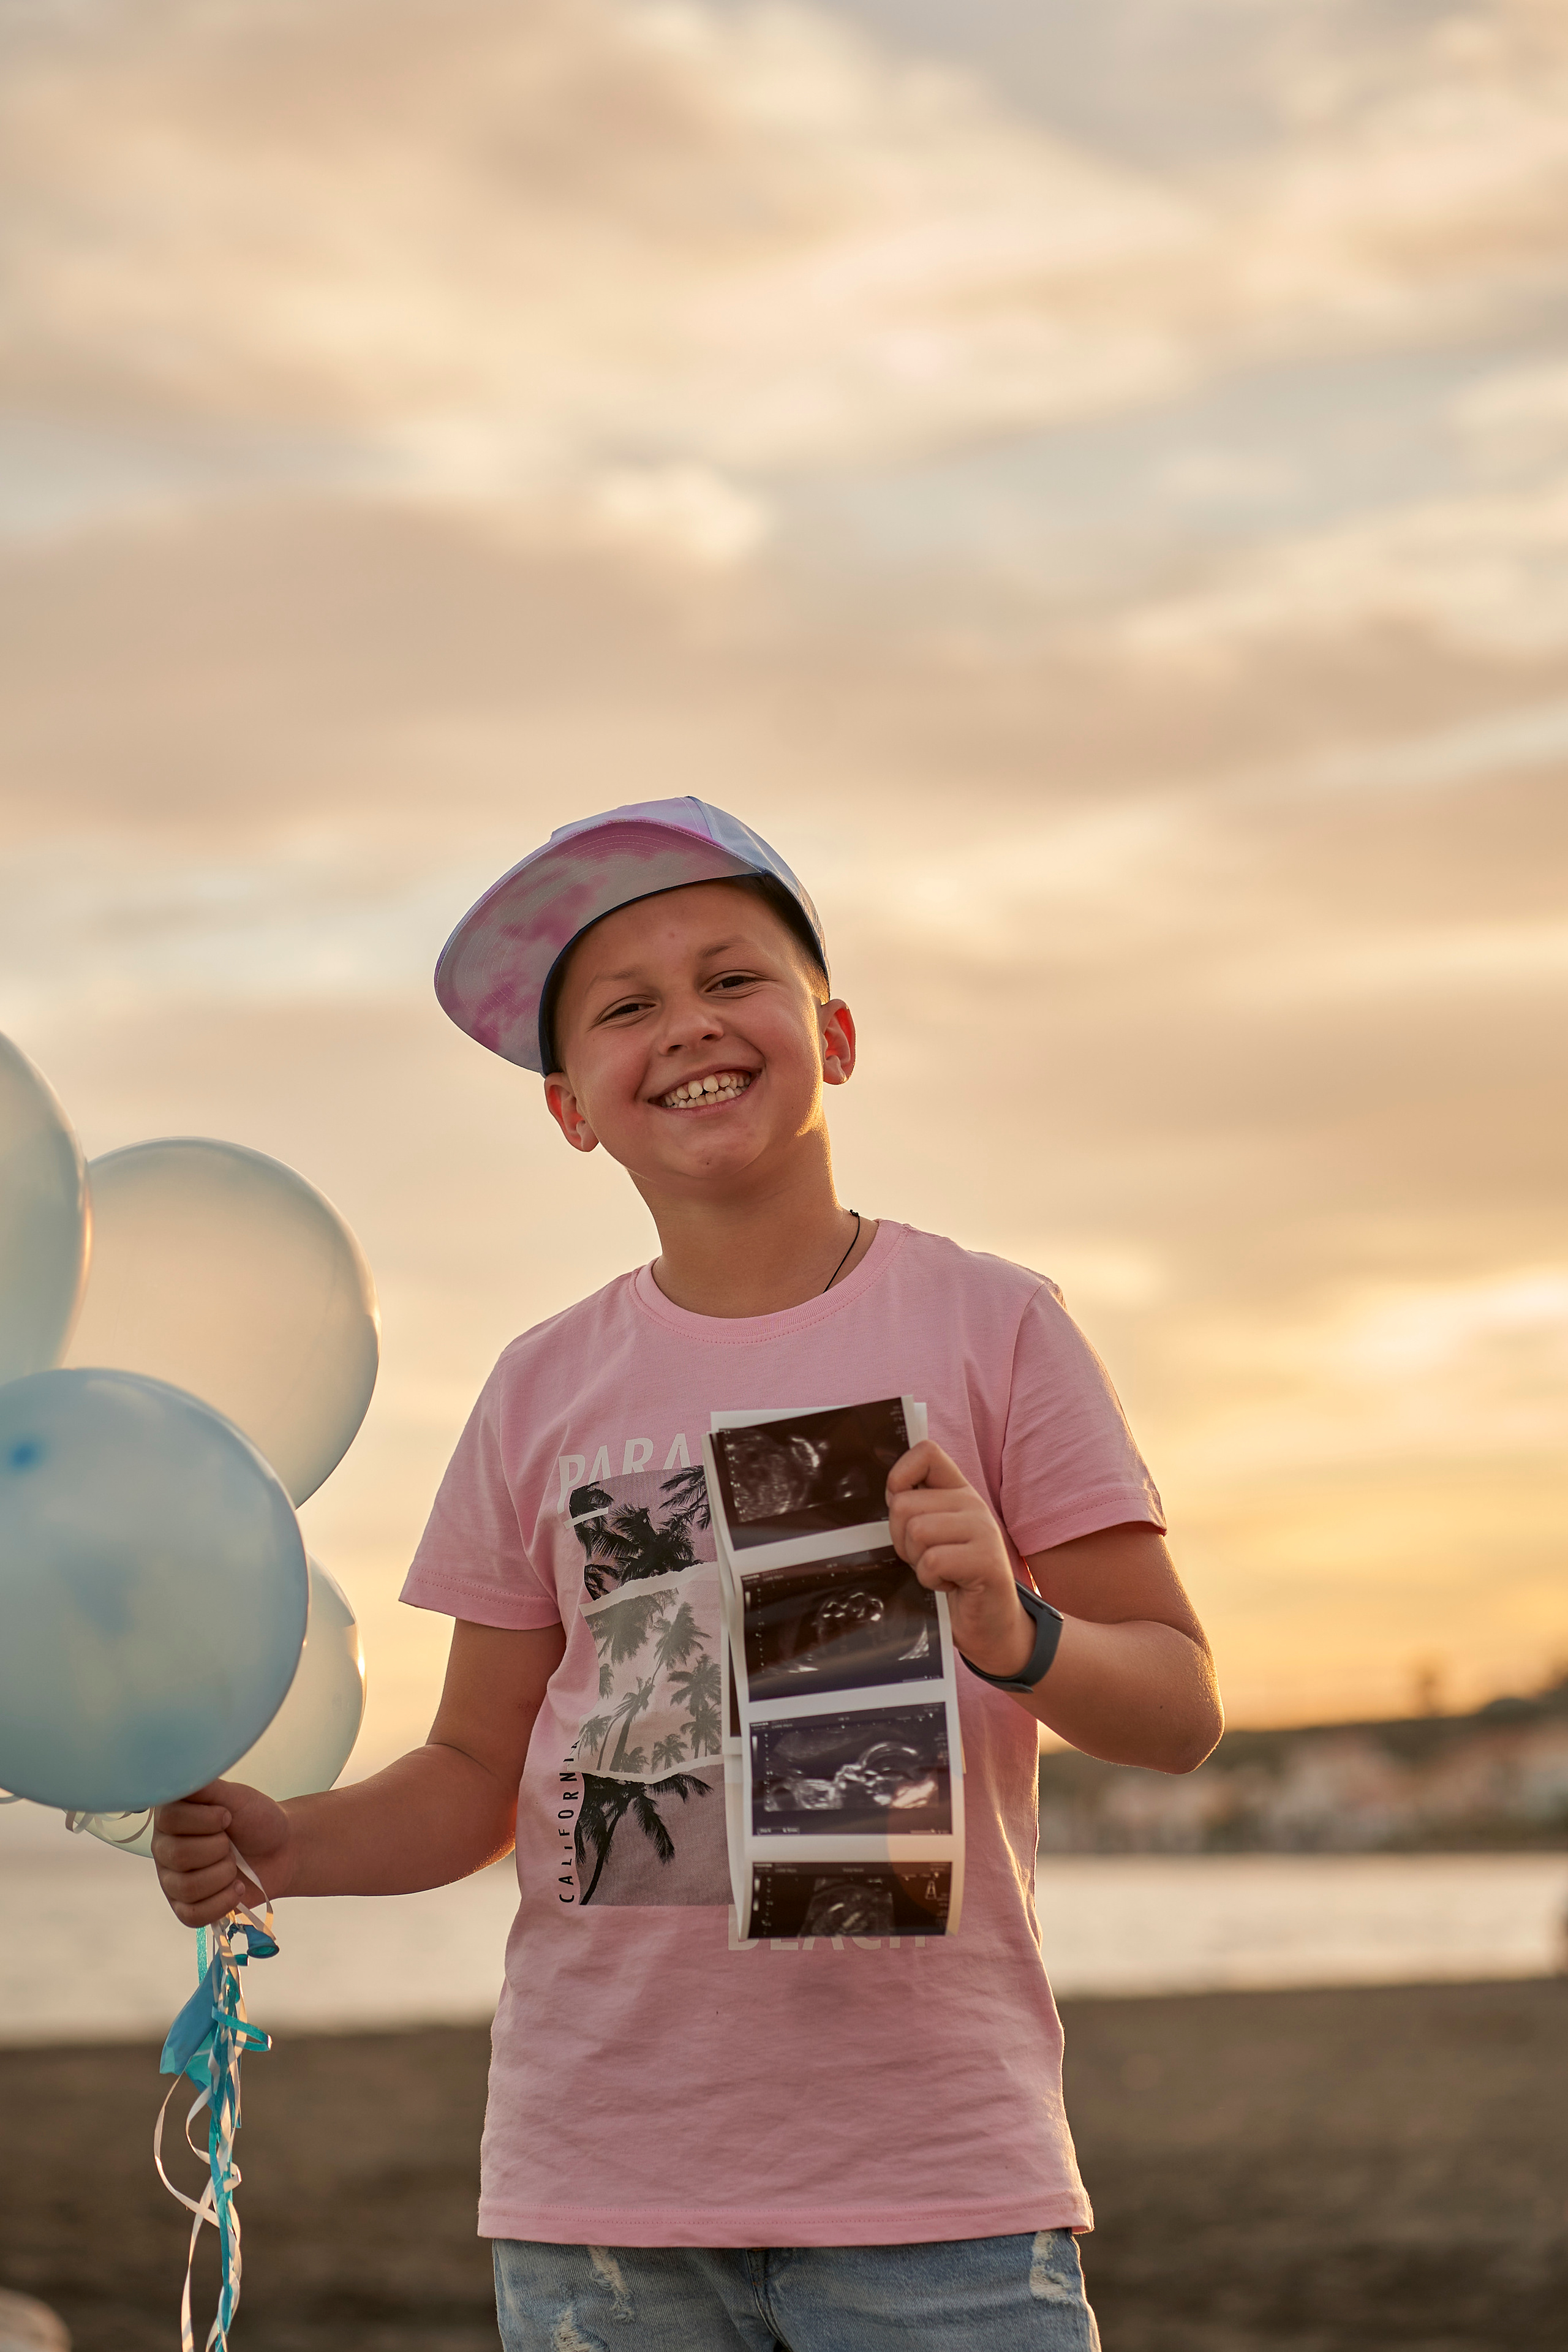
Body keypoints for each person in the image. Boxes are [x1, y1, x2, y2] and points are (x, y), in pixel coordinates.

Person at [153, 797, 1224, 2351]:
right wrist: (288, 1843)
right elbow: (475, 1775)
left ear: (831, 1034)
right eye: (624, 1007)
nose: (688, 1025)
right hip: (598, 2192)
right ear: (571, 1108)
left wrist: (1014, 1627)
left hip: (933, 2184)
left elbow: (1178, 1709)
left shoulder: (992, 1325)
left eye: (731, 979)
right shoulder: (539, 1388)